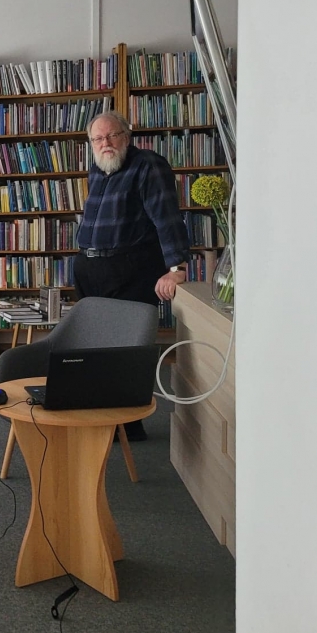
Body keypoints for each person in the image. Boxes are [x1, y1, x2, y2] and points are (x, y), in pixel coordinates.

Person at [74, 111, 191, 441]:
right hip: (91, 269)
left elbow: (167, 217)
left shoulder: (148, 165)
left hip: (129, 269)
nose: (105, 143)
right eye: (98, 139)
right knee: (93, 348)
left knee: (125, 351)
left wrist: (177, 269)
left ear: (127, 135)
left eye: (112, 135)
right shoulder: (98, 169)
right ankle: (100, 418)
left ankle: (127, 426)